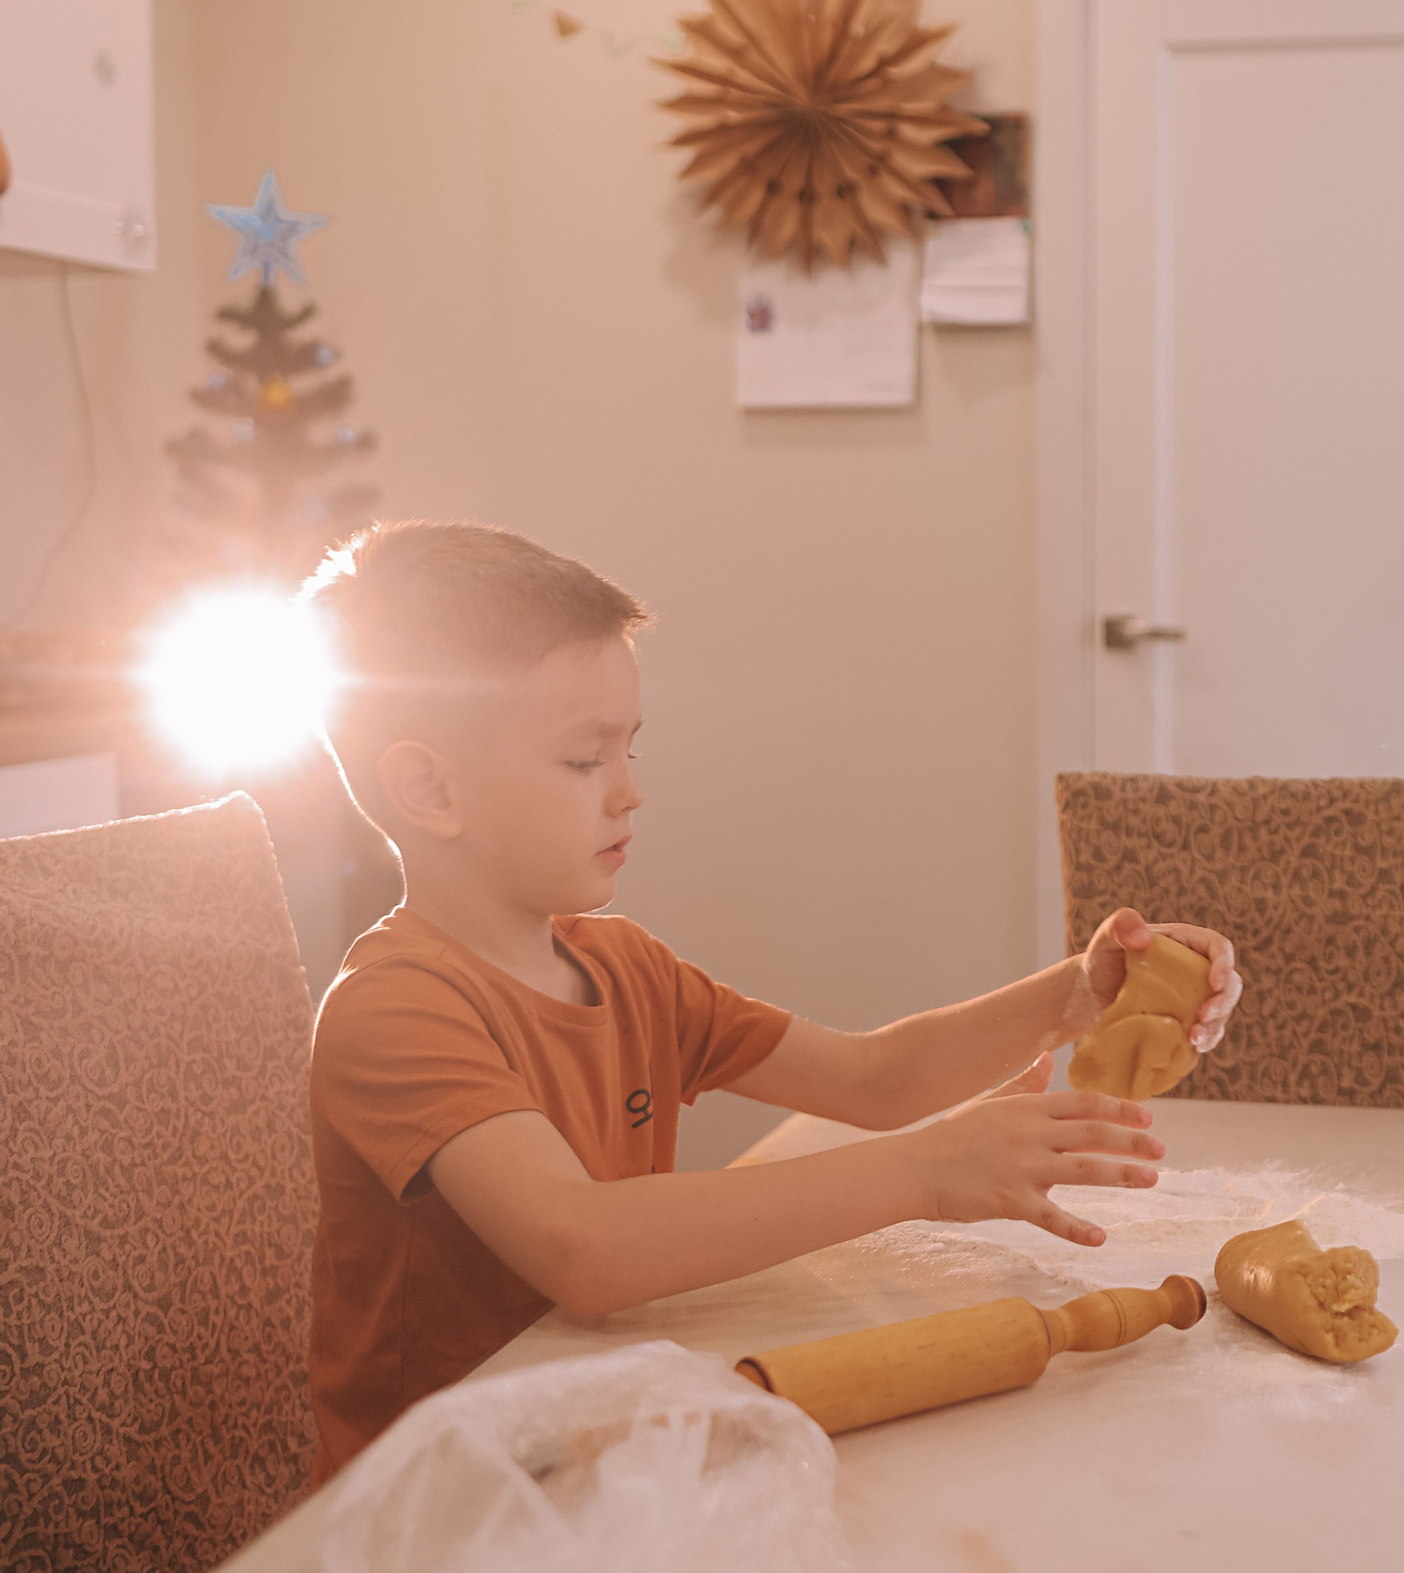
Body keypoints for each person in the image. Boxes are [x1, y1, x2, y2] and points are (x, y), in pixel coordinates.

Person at [298, 520, 1241, 1478]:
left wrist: (1079, 993)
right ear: (427, 786)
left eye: (631, 749)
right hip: (439, 1507)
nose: (628, 792)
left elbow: (876, 1077)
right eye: (584, 761)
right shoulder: (395, 1007)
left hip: (601, 1448)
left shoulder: (627, 969)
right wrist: (924, 1172)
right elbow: (585, 1250)